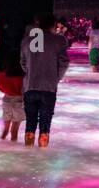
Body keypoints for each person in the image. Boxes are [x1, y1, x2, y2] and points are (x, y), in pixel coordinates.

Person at [19, 12, 70, 146]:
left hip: (30, 86)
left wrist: (31, 72)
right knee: (45, 126)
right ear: (54, 25)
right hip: (48, 87)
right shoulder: (59, 40)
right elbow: (64, 63)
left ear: (37, 24)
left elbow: (23, 62)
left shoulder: (26, 40)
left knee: (30, 124)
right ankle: (42, 158)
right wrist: (55, 78)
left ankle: (28, 155)